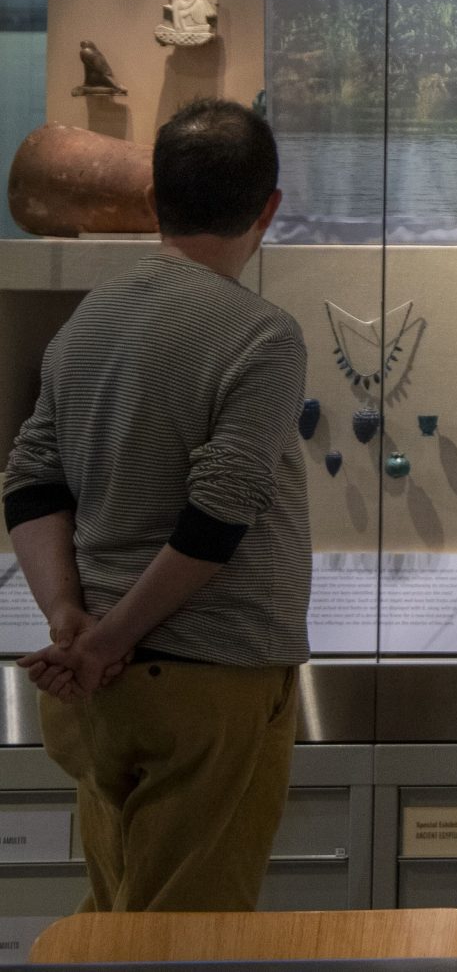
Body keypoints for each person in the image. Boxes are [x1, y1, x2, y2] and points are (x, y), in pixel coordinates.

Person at [5, 98, 308, 912]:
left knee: (118, 920)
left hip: (100, 690)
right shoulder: (261, 335)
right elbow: (218, 518)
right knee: (189, 937)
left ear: (153, 199)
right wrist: (107, 637)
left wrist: (72, 616)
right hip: (208, 683)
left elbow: (29, 482)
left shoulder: (87, 323)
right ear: (268, 208)